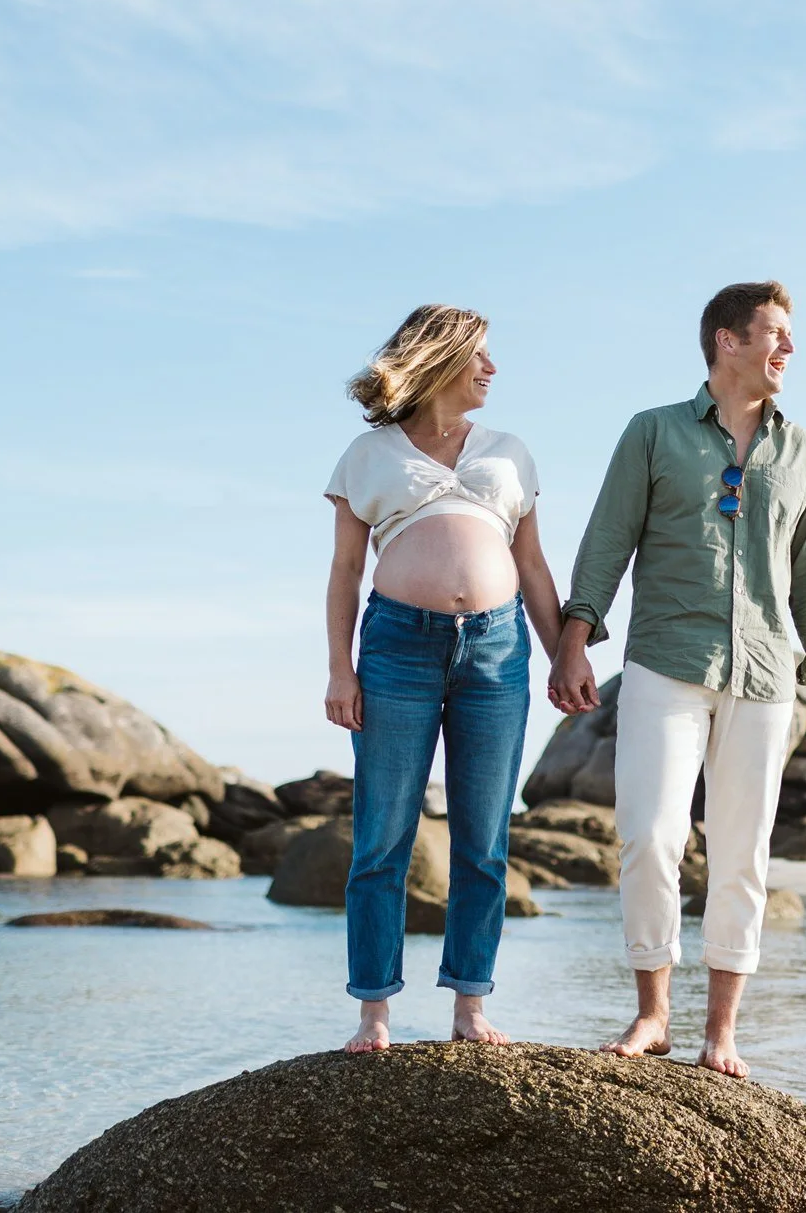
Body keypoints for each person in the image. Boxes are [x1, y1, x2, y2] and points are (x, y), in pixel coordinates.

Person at [548, 279, 806, 1079]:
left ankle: (722, 1032)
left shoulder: (805, 450)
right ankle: (653, 1013)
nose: (787, 349)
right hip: (664, 660)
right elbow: (607, 538)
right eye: (774, 334)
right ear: (727, 341)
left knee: (743, 850)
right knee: (649, 834)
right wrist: (575, 641)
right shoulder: (652, 433)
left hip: (764, 675)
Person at [323, 305, 564, 1054]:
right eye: (480, 356)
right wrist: (339, 667)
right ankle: (374, 1012)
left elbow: (530, 564)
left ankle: (469, 1003)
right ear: (441, 358)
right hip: (396, 648)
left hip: (497, 653)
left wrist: (568, 656)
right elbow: (344, 570)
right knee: (381, 838)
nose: (492, 369)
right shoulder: (369, 453)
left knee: (484, 838)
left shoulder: (509, 451)